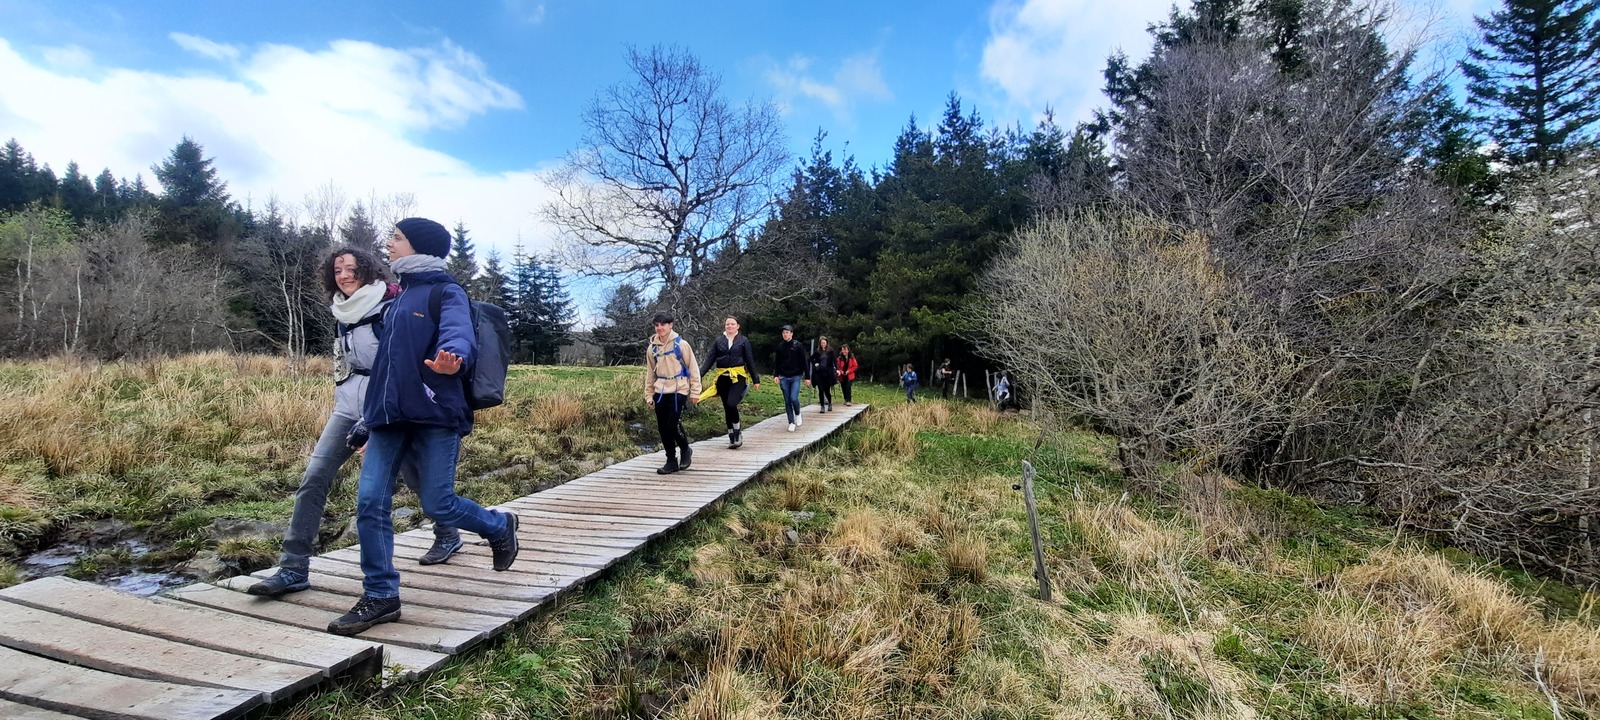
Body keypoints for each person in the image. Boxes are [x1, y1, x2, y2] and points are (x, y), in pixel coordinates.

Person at [328, 218, 521, 637]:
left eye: (396, 237)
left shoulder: (445, 291)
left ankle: (497, 526)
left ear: (418, 245)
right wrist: (366, 422)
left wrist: (453, 357)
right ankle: (381, 595)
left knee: (438, 503)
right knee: (370, 503)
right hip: (388, 420)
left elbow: (459, 333)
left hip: (435, 415)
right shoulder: (398, 299)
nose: (388, 243)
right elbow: (385, 369)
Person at [248, 247, 463, 599]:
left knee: (416, 478)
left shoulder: (391, 308)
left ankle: (447, 533)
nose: (344, 275)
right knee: (314, 478)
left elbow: (399, 369)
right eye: (337, 270)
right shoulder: (342, 312)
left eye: (351, 268)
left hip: (389, 411)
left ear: (368, 270)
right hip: (348, 408)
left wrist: (372, 421)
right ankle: (292, 568)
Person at [644, 312, 702, 474]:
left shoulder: (681, 344)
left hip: (679, 389)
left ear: (671, 325)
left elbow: (693, 368)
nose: (659, 328)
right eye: (657, 325)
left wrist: (695, 391)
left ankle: (685, 449)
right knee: (663, 428)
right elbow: (650, 374)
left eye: (663, 324)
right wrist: (649, 395)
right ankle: (671, 461)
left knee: (672, 424)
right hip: (660, 391)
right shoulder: (652, 348)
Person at [699, 316, 759, 449]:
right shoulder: (719, 341)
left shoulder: (743, 341)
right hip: (722, 377)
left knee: (732, 403)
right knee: (726, 407)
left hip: (738, 376)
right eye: (727, 324)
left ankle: (737, 431)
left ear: (738, 326)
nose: (729, 326)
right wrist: (699, 376)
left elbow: (749, 359)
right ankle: (731, 435)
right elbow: (710, 359)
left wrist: (756, 379)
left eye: (732, 324)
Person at [773, 325, 809, 431]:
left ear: (791, 334)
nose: (785, 334)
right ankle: (791, 422)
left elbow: (804, 361)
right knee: (787, 400)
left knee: (794, 398)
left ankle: (798, 413)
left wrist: (807, 377)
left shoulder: (798, 346)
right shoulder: (780, 347)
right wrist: (776, 375)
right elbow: (777, 362)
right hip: (784, 376)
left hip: (796, 376)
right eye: (783, 333)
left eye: (787, 332)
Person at [810, 336, 839, 412]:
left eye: (824, 343)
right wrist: (815, 364)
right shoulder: (817, 351)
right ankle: (822, 406)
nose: (823, 344)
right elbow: (811, 358)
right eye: (822, 343)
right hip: (819, 373)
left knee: (827, 390)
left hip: (828, 373)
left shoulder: (830, 351)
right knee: (820, 390)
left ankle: (829, 403)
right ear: (820, 343)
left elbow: (835, 361)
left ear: (826, 343)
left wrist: (837, 369)